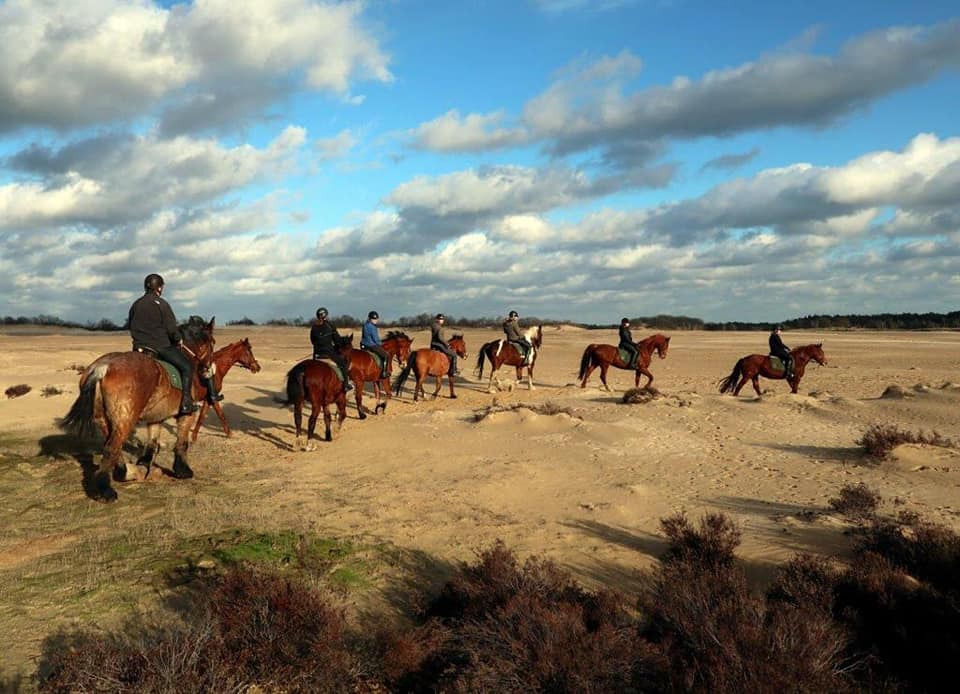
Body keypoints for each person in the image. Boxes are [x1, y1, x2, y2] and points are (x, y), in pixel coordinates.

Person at [129, 273, 222, 416]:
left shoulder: (135, 304)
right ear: (158, 288)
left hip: (138, 347)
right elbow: (171, 329)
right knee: (187, 367)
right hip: (160, 347)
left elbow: (131, 324)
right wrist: (178, 339)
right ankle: (186, 403)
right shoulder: (162, 304)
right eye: (162, 287)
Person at [311, 307, 353, 392]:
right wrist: (345, 339)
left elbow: (312, 341)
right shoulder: (330, 326)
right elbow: (337, 341)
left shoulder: (314, 327)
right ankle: (346, 385)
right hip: (328, 353)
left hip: (317, 354)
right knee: (343, 364)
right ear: (326, 315)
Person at [361, 310, 390, 379]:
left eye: (376, 319)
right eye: (374, 319)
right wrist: (380, 343)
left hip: (363, 345)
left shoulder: (365, 325)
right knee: (386, 356)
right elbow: (375, 339)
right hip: (372, 345)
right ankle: (384, 373)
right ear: (370, 319)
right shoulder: (373, 327)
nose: (375, 320)